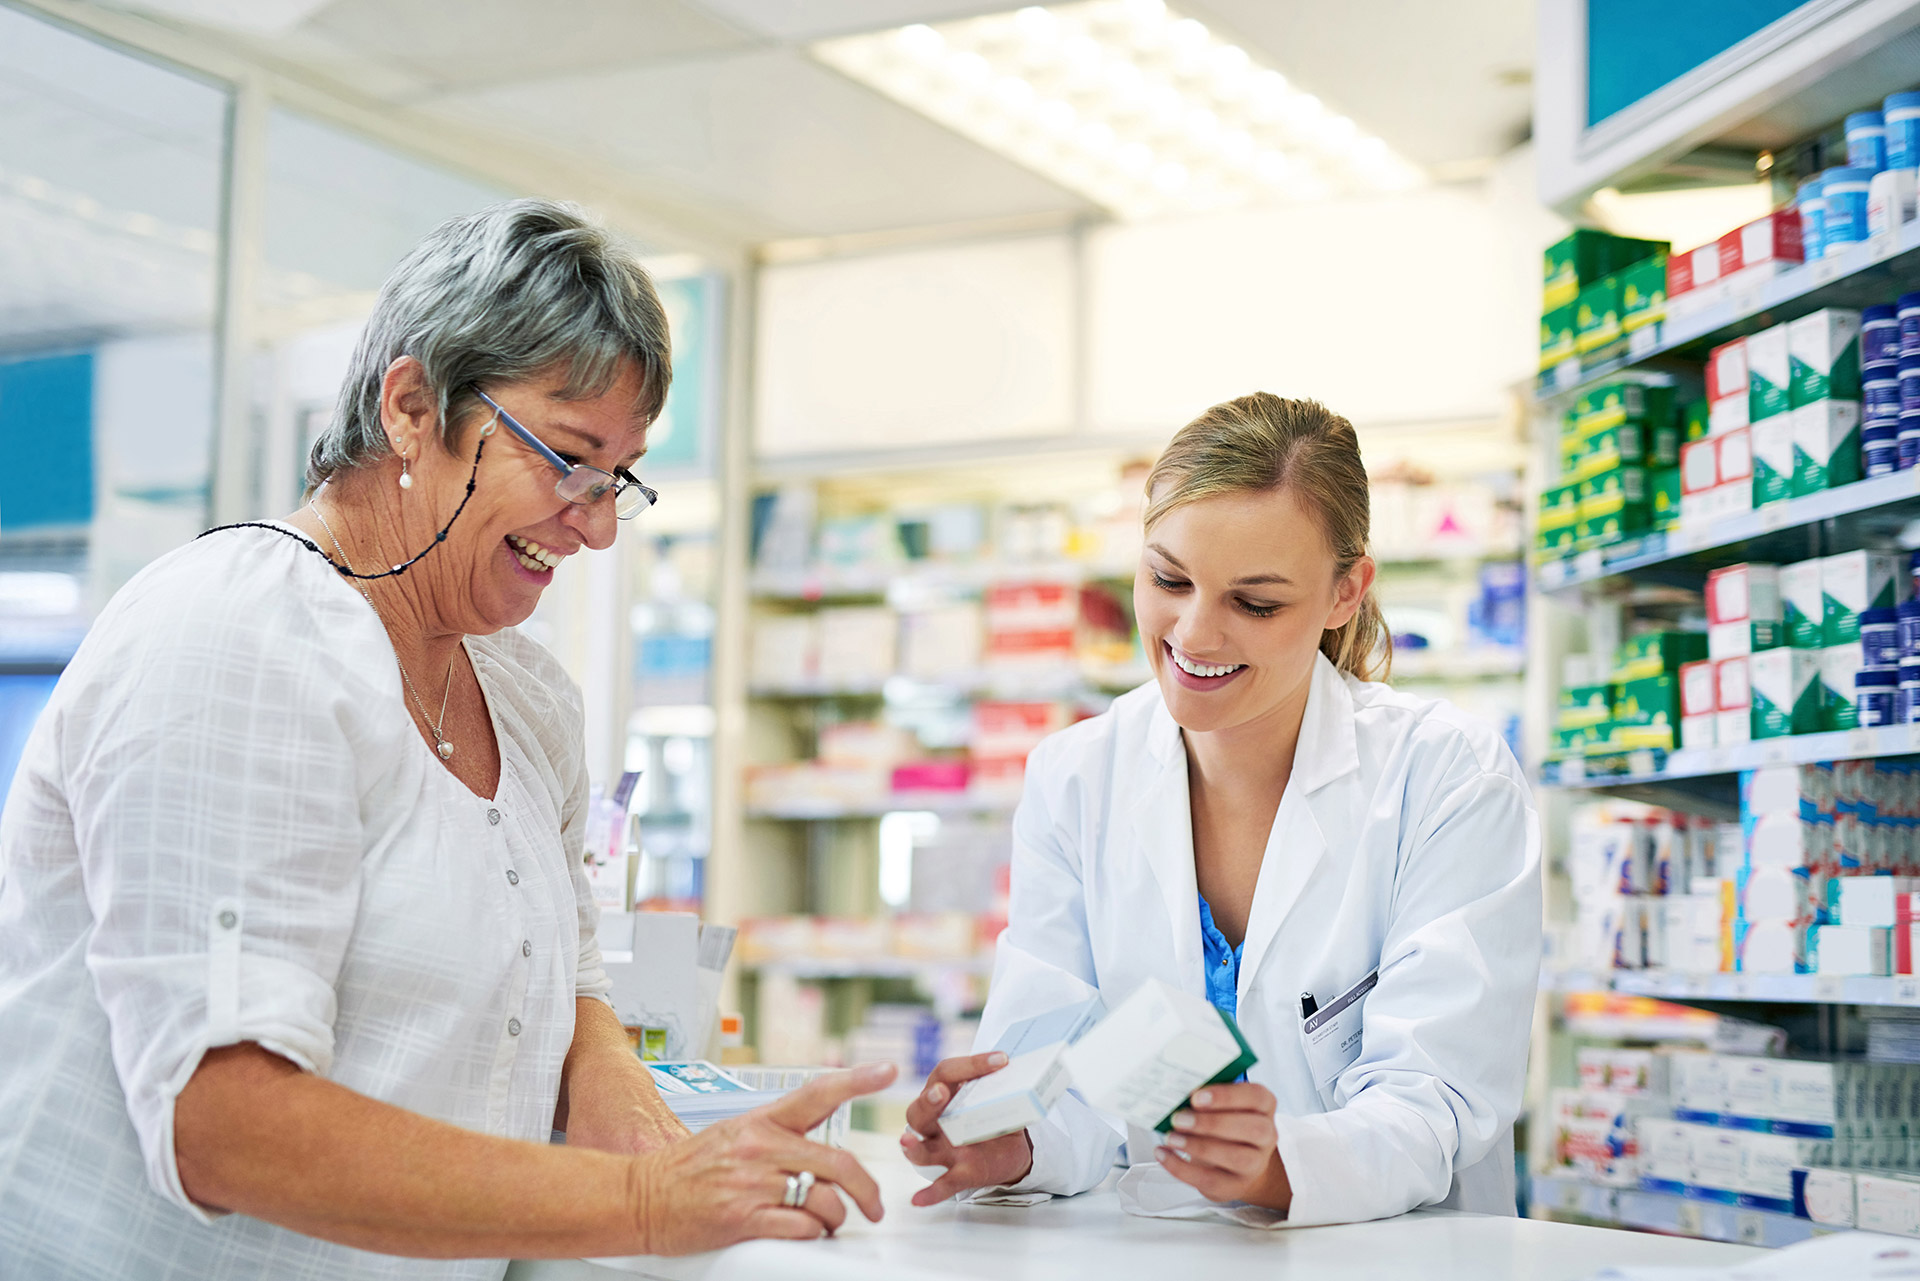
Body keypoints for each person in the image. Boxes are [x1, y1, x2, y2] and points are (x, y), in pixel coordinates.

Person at [0, 199, 894, 1279]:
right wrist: (644, 1203)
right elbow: (221, 1119)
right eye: (569, 458)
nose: (599, 520)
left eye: (620, 476)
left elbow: (563, 968)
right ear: (414, 407)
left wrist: (635, 1115)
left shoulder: (523, 694)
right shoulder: (239, 635)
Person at [902, 393, 1542, 1226]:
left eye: (1256, 602)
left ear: (1346, 591)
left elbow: (1437, 1099)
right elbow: (1061, 1072)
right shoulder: (1077, 777)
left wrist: (1287, 1167)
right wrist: (1015, 1141)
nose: (1194, 635)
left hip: (1386, 1257)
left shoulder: (1448, 778)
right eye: (1168, 579)